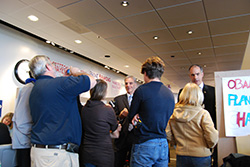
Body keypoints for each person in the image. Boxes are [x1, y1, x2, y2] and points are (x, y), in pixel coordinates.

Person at [28, 55, 96, 167]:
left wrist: (65, 80)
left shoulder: (35, 88)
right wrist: (77, 72)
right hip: (56, 155)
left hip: (40, 152)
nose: (54, 66)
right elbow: (92, 81)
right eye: (52, 64)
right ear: (47, 67)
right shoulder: (60, 84)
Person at [128, 56, 175, 167]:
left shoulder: (141, 91)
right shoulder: (169, 94)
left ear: (145, 73)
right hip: (163, 144)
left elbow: (131, 117)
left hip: (145, 143)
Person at [166, 83, 218, 167]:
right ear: (199, 95)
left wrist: (177, 143)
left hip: (181, 154)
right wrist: (208, 146)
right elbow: (212, 137)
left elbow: (168, 134)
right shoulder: (203, 114)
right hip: (201, 155)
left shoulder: (174, 113)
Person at [177, 64, 217, 166]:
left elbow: (214, 114)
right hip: (187, 139)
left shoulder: (213, 91)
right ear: (190, 76)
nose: (196, 77)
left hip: (206, 136)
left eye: (198, 74)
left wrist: (210, 141)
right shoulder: (182, 92)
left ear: (202, 74)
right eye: (193, 75)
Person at [79, 79, 121, 167]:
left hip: (86, 154)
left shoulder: (84, 109)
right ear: (104, 92)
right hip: (103, 156)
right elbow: (116, 135)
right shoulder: (107, 110)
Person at [113, 76, 137, 167]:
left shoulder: (140, 99)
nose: (128, 85)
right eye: (126, 83)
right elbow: (113, 118)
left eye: (130, 83)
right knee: (118, 162)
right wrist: (120, 116)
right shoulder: (118, 99)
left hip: (134, 137)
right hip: (121, 138)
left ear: (135, 84)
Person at [12, 78, 36, 167]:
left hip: (26, 140)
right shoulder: (29, 88)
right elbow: (22, 118)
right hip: (25, 142)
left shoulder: (31, 87)